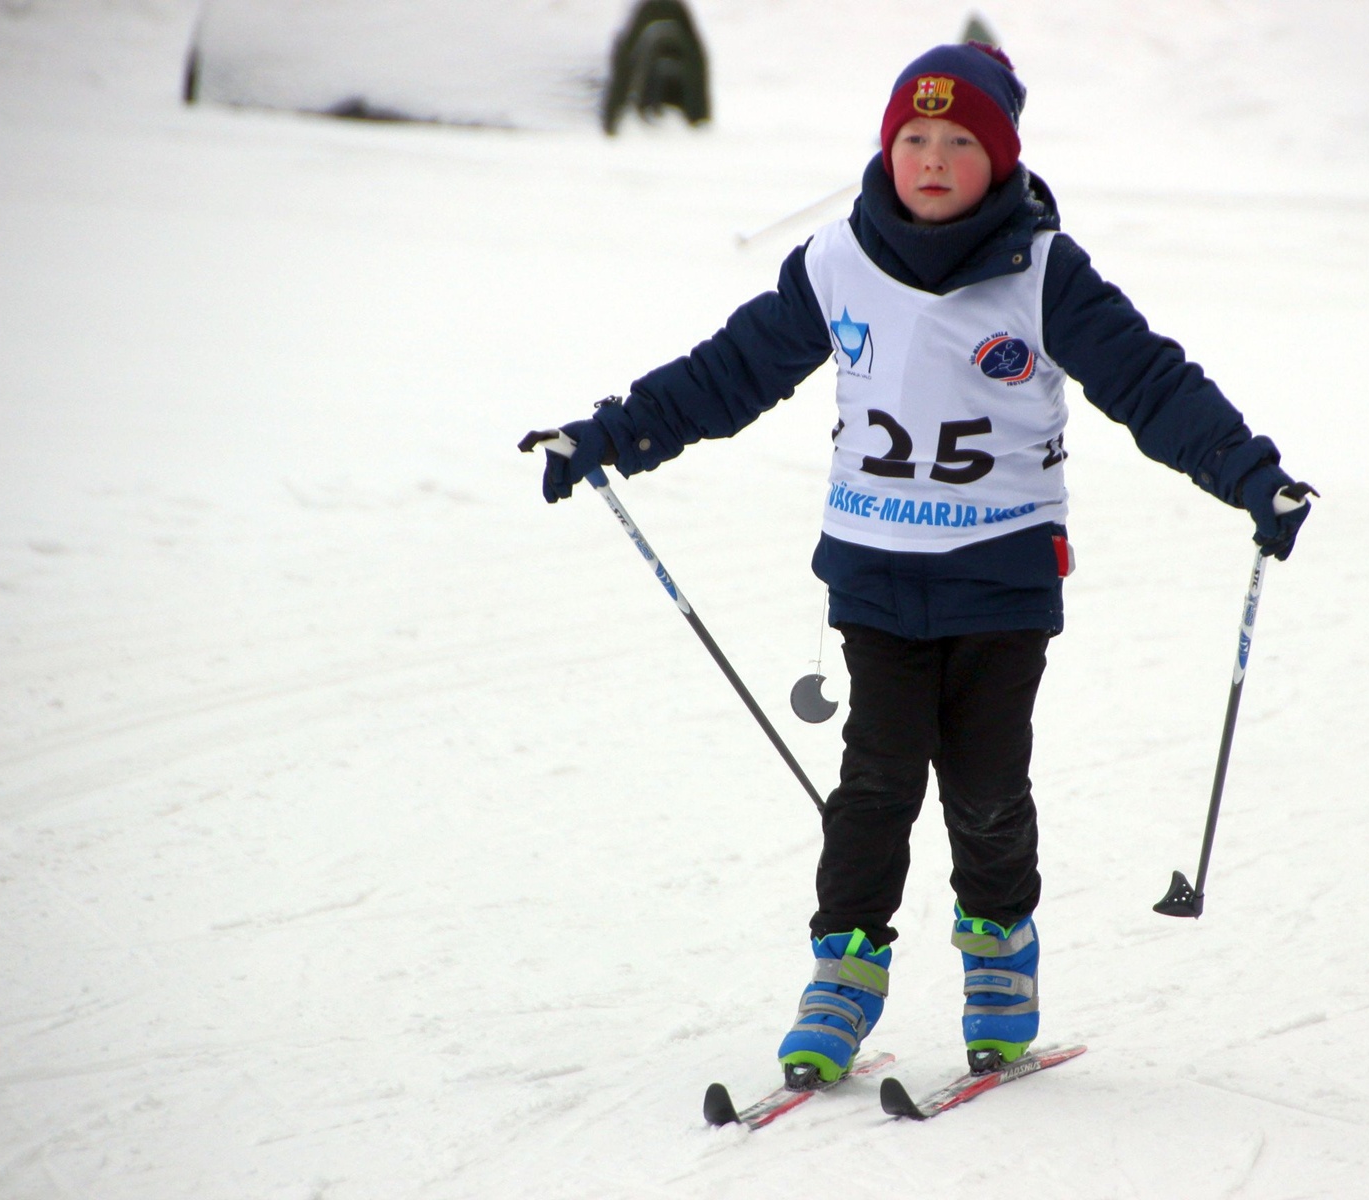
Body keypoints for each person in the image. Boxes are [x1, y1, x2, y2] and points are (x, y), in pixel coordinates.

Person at [525, 41, 1314, 1087]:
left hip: (1001, 575)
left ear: (1002, 161)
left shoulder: (1044, 273)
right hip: (877, 573)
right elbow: (728, 373)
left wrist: (1251, 476)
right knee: (877, 781)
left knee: (985, 787)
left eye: (959, 142)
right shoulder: (834, 264)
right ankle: (843, 975)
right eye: (913, 138)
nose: (932, 159)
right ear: (886, 149)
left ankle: (1000, 956)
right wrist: (609, 436)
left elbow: (1151, 384)